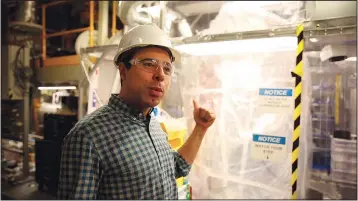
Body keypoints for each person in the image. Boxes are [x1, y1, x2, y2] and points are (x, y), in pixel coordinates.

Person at [57, 24, 216, 200]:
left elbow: (176, 167)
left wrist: (200, 128)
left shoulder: (154, 126)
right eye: (149, 64)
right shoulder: (88, 136)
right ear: (123, 71)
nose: (160, 75)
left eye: (167, 68)